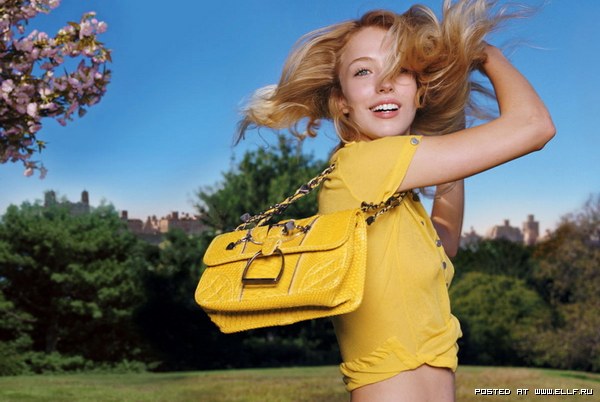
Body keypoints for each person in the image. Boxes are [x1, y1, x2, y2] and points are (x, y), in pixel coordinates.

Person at [236, 1, 555, 400]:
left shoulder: (385, 189)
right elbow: (534, 125)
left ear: (419, 92)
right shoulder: (366, 164)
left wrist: (450, 117)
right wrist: (485, 53)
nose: (384, 82)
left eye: (400, 69)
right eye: (363, 71)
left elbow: (445, 240)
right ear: (342, 101)